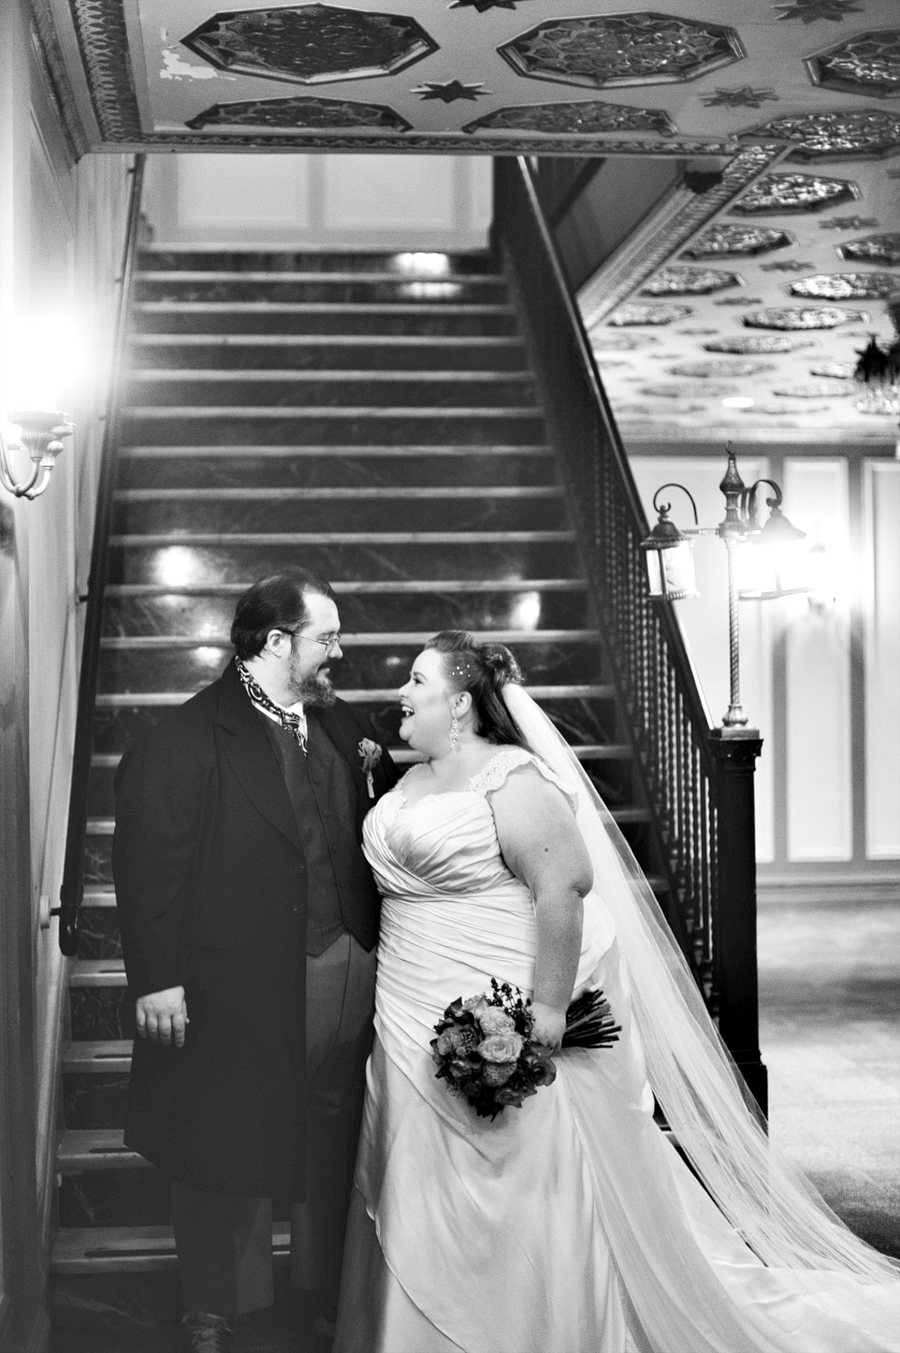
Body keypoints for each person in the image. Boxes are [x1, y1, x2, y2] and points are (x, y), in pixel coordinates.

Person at [334, 630, 899, 1353]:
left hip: (483, 1005)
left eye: (417, 680)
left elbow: (563, 888)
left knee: (499, 1169)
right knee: (409, 1164)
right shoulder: (409, 779)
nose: (400, 694)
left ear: (463, 701)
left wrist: (544, 1008)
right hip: (407, 1003)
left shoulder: (513, 778)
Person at [112, 569, 397, 1353]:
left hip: (349, 962)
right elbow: (148, 865)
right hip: (239, 978)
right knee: (224, 1132)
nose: (340, 651)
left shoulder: (343, 729)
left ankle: (321, 1285)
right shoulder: (187, 737)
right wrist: (158, 978)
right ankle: (215, 1302)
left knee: (329, 1131)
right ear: (276, 641)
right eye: (326, 637)